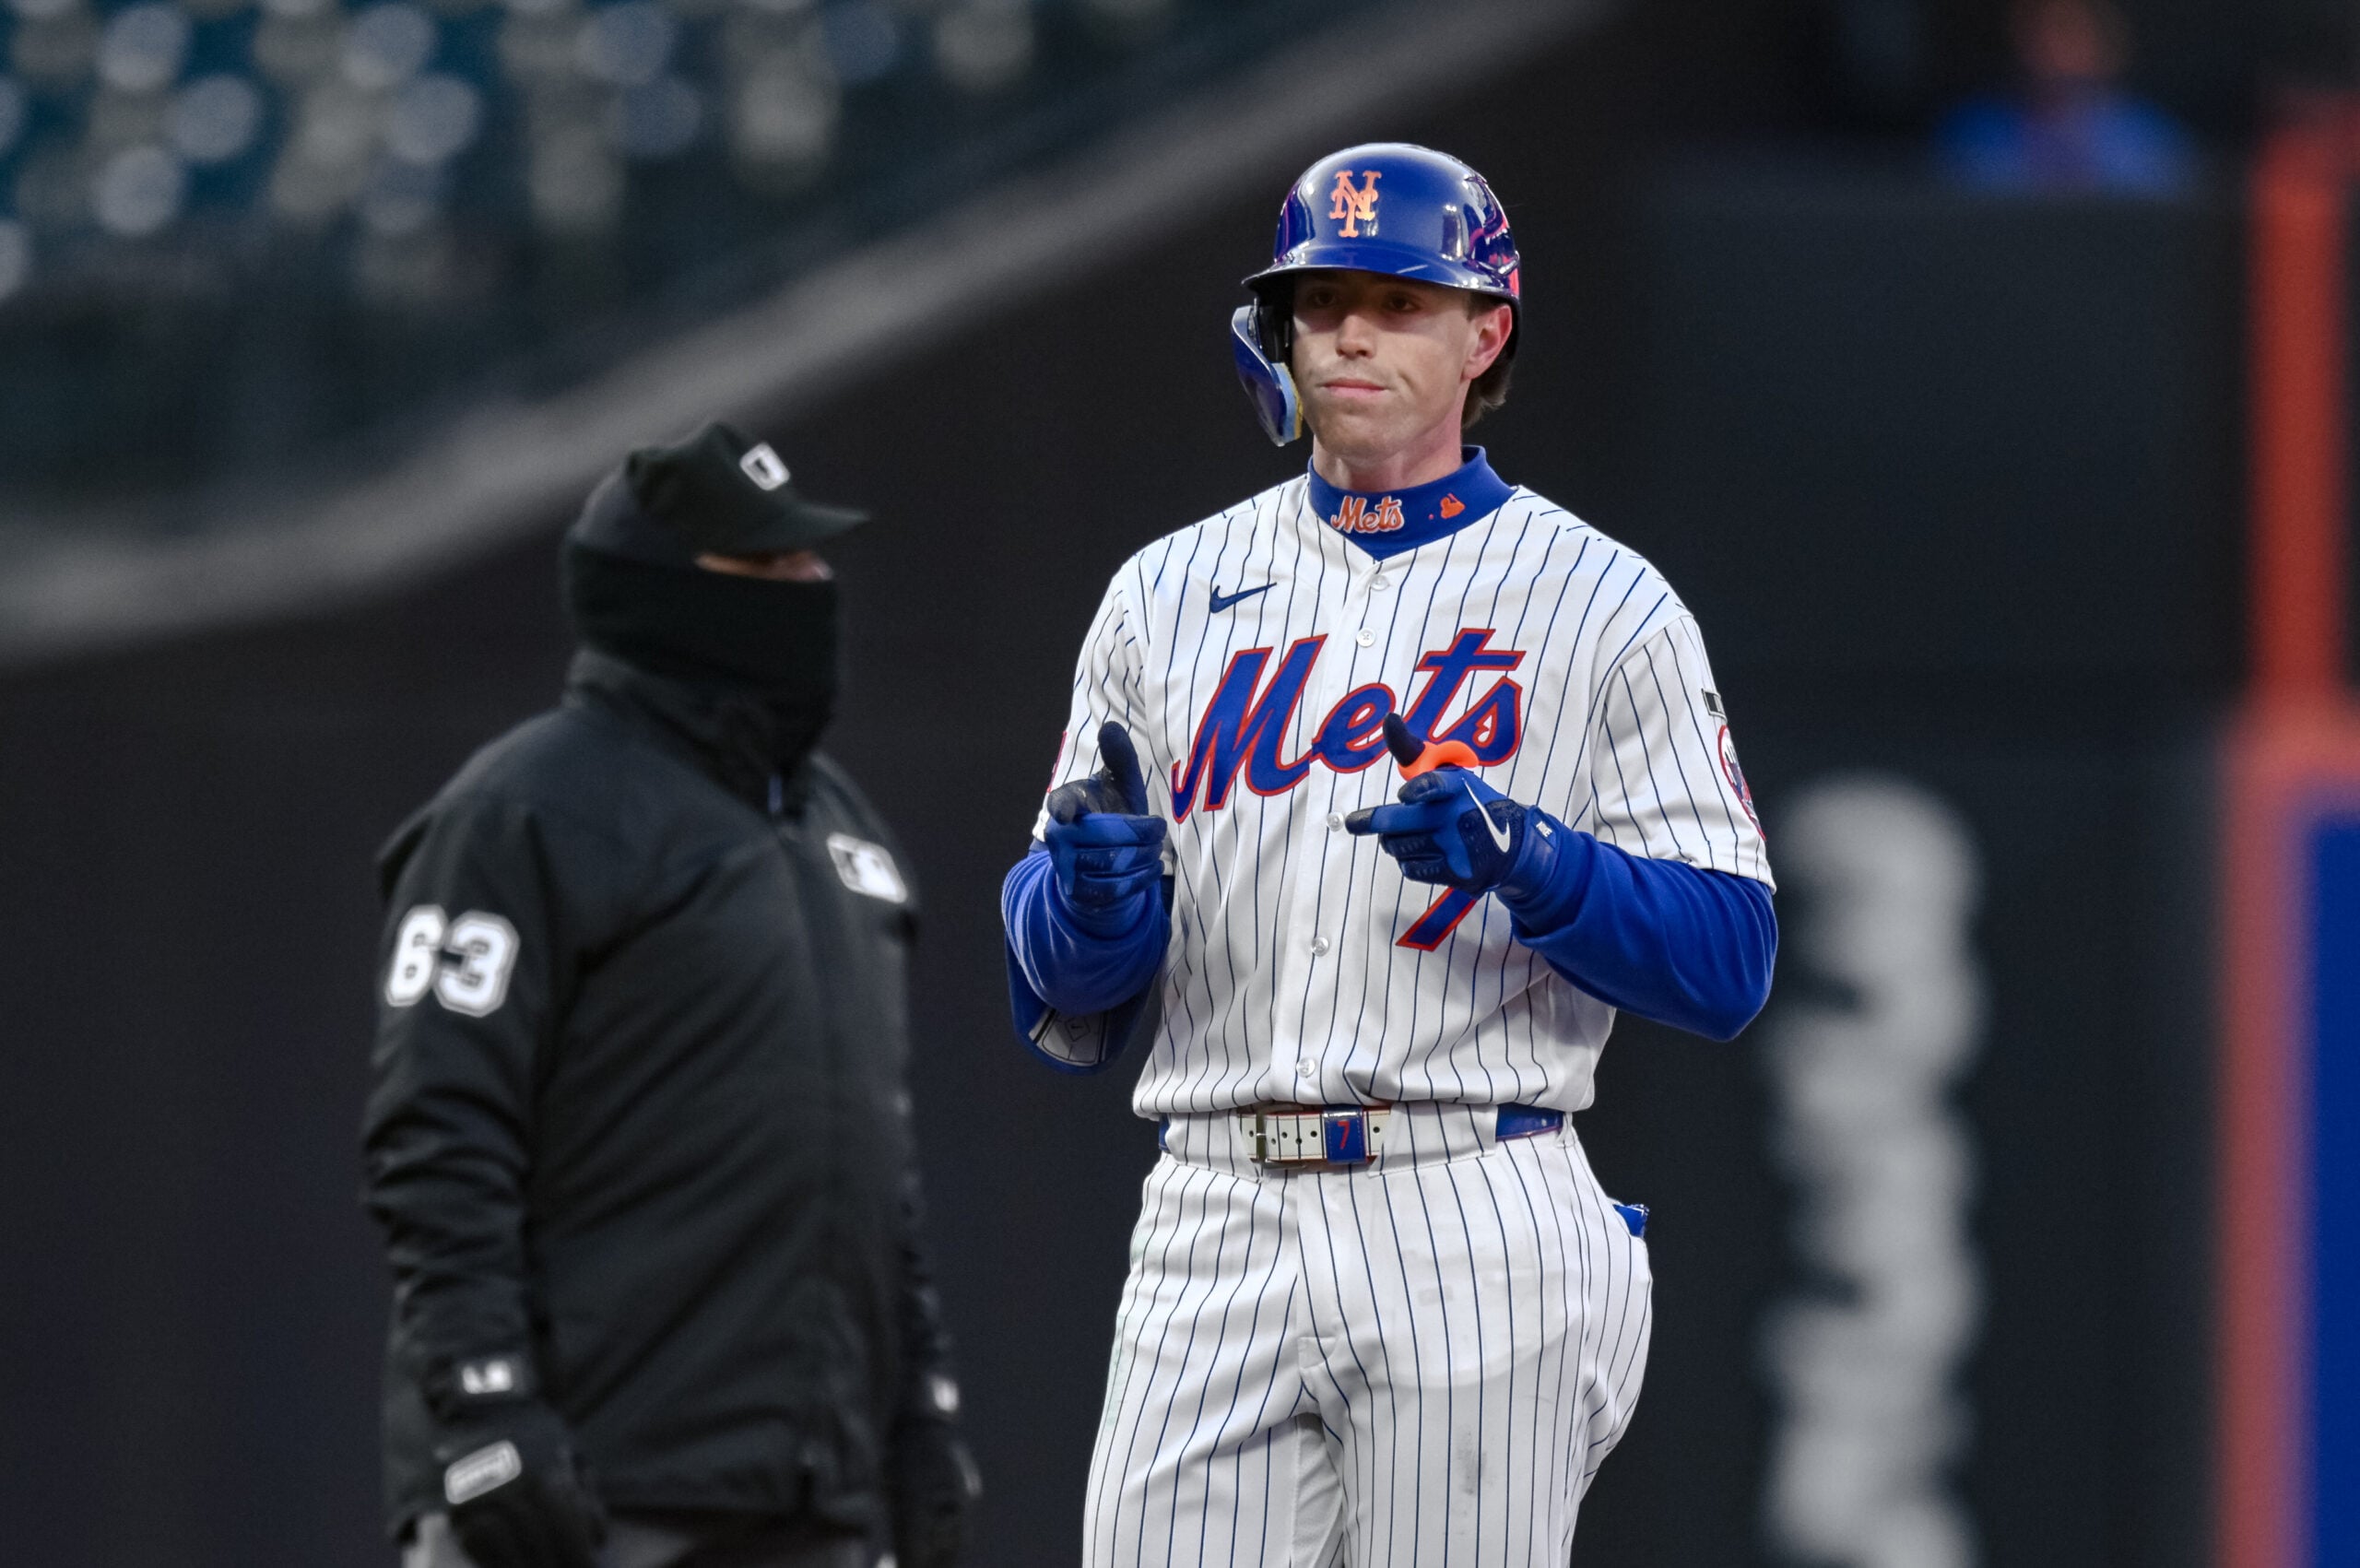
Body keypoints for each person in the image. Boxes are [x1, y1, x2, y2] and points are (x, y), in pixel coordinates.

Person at [999, 144, 1778, 1564]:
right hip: (1213, 1199)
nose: (1350, 331)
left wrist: (1533, 860)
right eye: (1321, 299)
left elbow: (1730, 959)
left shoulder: (1605, 603)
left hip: (1468, 1192)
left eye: (1400, 301)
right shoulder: (1162, 594)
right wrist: (1088, 900)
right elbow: (1072, 996)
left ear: (1487, 335)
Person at [363, 422, 978, 1568]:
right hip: (587, 1488)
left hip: (810, 1491)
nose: (813, 587)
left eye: (810, 561)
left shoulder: (836, 828)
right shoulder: (522, 815)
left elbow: (868, 1170)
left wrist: (917, 1413)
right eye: (769, 568)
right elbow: (436, 1138)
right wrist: (485, 1409)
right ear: (660, 597)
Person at [1938, 0, 2194, 194]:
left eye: (2066, 31)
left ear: (2103, 41)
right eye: (2036, 32)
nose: (2050, 49)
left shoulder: (2150, 144)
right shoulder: (1974, 138)